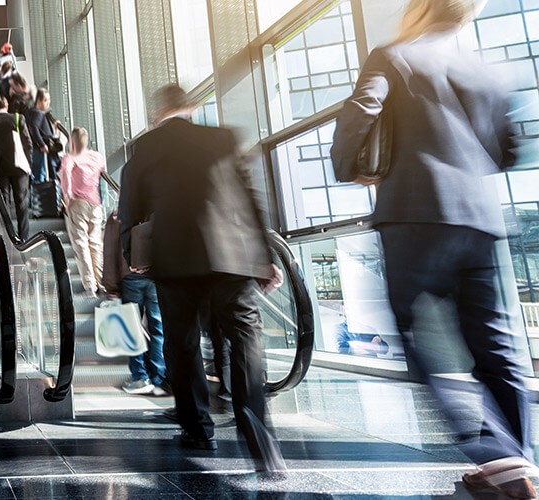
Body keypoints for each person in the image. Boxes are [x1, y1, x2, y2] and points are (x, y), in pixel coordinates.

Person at [332, 0, 535, 495]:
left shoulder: (394, 56)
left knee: (418, 339)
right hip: (480, 220)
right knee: (496, 344)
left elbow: (361, 112)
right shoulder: (489, 71)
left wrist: (349, 166)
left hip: (414, 214)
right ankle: (519, 463)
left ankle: (497, 455)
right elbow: (510, 150)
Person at [119, 84, 285, 472]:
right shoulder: (222, 137)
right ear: (190, 107)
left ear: (158, 112)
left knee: (182, 343)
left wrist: (133, 255)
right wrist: (264, 258)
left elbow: (130, 208)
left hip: (174, 259)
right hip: (232, 257)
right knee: (245, 336)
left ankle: (197, 428)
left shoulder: (145, 147)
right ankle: (258, 433)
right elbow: (250, 199)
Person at [103, 211, 168, 398]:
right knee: (158, 327)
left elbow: (110, 252)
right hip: (155, 276)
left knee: (132, 328)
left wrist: (111, 286)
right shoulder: (156, 211)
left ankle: (140, 377)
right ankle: (158, 377)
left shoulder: (117, 216)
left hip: (130, 277)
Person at [59, 128, 107, 296]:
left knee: (81, 244)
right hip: (95, 204)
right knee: (96, 244)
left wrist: (67, 196)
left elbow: (65, 174)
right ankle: (102, 282)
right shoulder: (97, 157)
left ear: (72, 142)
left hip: (78, 203)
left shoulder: (69, 158)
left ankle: (90, 286)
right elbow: (102, 170)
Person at [0, 99, 33, 240]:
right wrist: (29, 165)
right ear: (6, 106)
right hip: (20, 167)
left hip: (0, 168)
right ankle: (24, 237)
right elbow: (28, 144)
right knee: (22, 202)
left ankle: (9, 235)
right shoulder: (18, 119)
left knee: (4, 201)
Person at [28, 88, 59, 184]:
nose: (48, 103)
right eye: (45, 100)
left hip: (34, 148)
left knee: (37, 174)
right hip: (40, 150)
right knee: (40, 174)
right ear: (38, 101)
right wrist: (42, 144)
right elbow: (35, 128)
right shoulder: (39, 113)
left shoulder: (31, 112)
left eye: (49, 100)